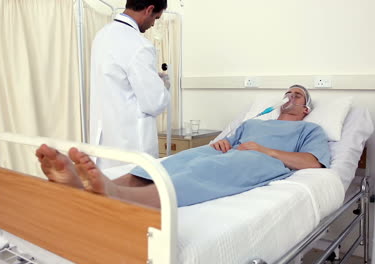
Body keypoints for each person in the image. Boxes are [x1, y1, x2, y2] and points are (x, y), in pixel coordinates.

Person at [36, 85, 330, 208]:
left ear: (306, 109)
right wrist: (227, 141)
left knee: (205, 170)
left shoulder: (308, 128)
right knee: (182, 159)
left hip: (260, 161)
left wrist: (262, 150)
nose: (291, 96)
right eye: (288, 92)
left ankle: (119, 196)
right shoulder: (255, 122)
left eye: (299, 95)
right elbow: (232, 141)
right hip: (233, 151)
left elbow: (313, 163)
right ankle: (92, 189)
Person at [89, 0, 170, 170]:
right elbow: (154, 102)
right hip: (132, 147)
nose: (153, 24)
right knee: (131, 194)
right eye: (156, 17)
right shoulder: (139, 45)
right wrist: (163, 84)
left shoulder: (102, 36)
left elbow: (117, 83)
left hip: (104, 143)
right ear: (149, 10)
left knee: (107, 192)